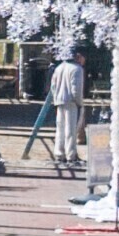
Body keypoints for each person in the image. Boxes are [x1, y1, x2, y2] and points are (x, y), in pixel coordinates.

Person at [44, 49, 86, 177]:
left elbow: (53, 86)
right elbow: (76, 88)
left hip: (59, 100)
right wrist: (80, 102)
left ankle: (59, 153)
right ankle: (71, 155)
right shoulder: (77, 69)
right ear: (78, 56)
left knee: (60, 129)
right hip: (71, 102)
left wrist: (56, 98)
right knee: (71, 129)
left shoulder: (59, 68)